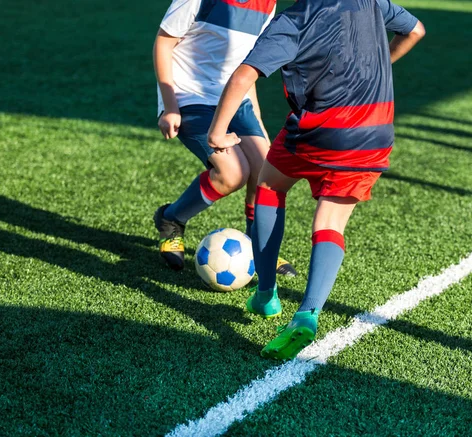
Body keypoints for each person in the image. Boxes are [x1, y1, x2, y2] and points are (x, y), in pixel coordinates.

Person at [207, 0, 425, 359]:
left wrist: (217, 132)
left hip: (320, 131)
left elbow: (245, 75)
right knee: (329, 223)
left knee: (268, 186)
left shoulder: (292, 21)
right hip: (376, 130)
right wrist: (378, 68)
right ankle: (307, 314)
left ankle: (265, 295)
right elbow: (415, 30)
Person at [152, 0, 297, 276]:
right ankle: (171, 218)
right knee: (233, 173)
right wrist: (170, 107)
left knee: (267, 168)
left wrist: (255, 119)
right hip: (188, 97)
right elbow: (163, 43)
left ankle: (260, 244)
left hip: (233, 99)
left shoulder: (267, 4)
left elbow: (248, 64)